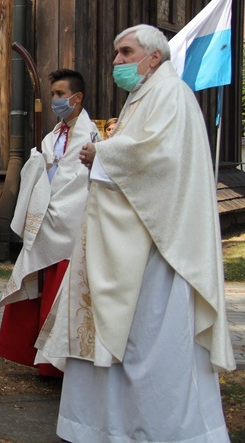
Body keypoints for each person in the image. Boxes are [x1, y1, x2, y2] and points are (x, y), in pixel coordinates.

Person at [37, 25, 235, 441]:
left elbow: (158, 159)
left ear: (154, 57)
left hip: (159, 249)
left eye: (125, 52)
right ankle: (107, 427)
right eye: (115, 54)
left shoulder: (172, 94)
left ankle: (161, 430)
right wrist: (106, 157)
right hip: (129, 244)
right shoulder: (141, 97)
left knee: (152, 342)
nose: (116, 62)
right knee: (123, 343)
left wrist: (102, 153)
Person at [0, 69, 99, 377]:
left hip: (72, 223)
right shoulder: (51, 136)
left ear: (76, 97)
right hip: (45, 221)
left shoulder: (93, 135)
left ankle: (64, 364)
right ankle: (41, 360)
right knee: (42, 291)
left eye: (59, 94)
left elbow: (84, 180)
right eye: (52, 94)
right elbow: (44, 175)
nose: (55, 99)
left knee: (64, 294)